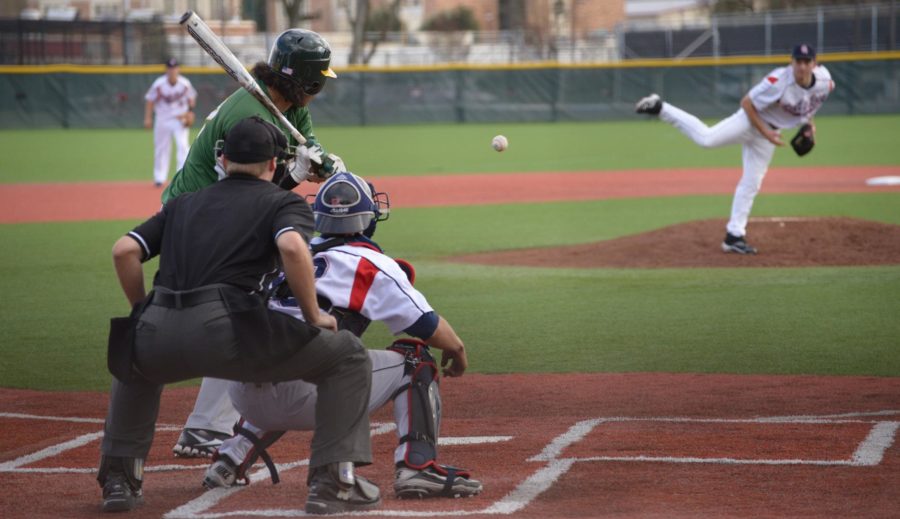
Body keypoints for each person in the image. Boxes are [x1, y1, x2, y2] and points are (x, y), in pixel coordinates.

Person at [97, 116, 379, 515]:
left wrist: (143, 311)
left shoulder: (182, 203)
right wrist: (315, 315)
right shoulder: (282, 202)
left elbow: (124, 251)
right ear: (273, 166)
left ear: (223, 158)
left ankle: (119, 482)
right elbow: (295, 250)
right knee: (347, 356)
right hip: (229, 330)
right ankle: (332, 483)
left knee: (135, 363)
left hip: (160, 327)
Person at [200, 172, 483, 500]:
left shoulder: (286, 253)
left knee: (287, 356)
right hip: (305, 392)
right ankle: (417, 467)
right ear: (369, 218)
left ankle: (230, 458)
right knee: (414, 359)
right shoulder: (370, 262)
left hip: (241, 393)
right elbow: (428, 326)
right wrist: (458, 351)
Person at [165, 28, 347, 458]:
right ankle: (206, 425)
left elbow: (306, 144)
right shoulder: (250, 117)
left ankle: (212, 422)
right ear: (308, 82)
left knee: (246, 305)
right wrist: (297, 174)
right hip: (196, 217)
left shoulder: (288, 106)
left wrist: (322, 161)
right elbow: (244, 195)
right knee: (233, 308)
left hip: (226, 214)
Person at [635, 43, 835, 254]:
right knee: (707, 139)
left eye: (806, 62)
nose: (802, 66)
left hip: (769, 134)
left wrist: (808, 125)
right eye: (798, 61)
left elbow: (809, 104)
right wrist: (766, 133)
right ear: (791, 62)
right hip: (750, 122)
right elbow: (747, 103)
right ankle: (660, 107)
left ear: (814, 64)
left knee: (751, 183)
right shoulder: (778, 82)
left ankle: (734, 236)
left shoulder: (826, 83)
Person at [144, 58, 197, 187]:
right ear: (166, 70)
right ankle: (159, 177)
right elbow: (150, 100)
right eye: (170, 68)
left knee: (183, 146)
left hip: (180, 119)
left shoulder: (185, 83)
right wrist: (148, 118)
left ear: (178, 69)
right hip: (162, 119)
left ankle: (182, 176)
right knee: (161, 147)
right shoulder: (159, 84)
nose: (172, 70)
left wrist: (189, 112)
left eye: (174, 67)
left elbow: (191, 98)